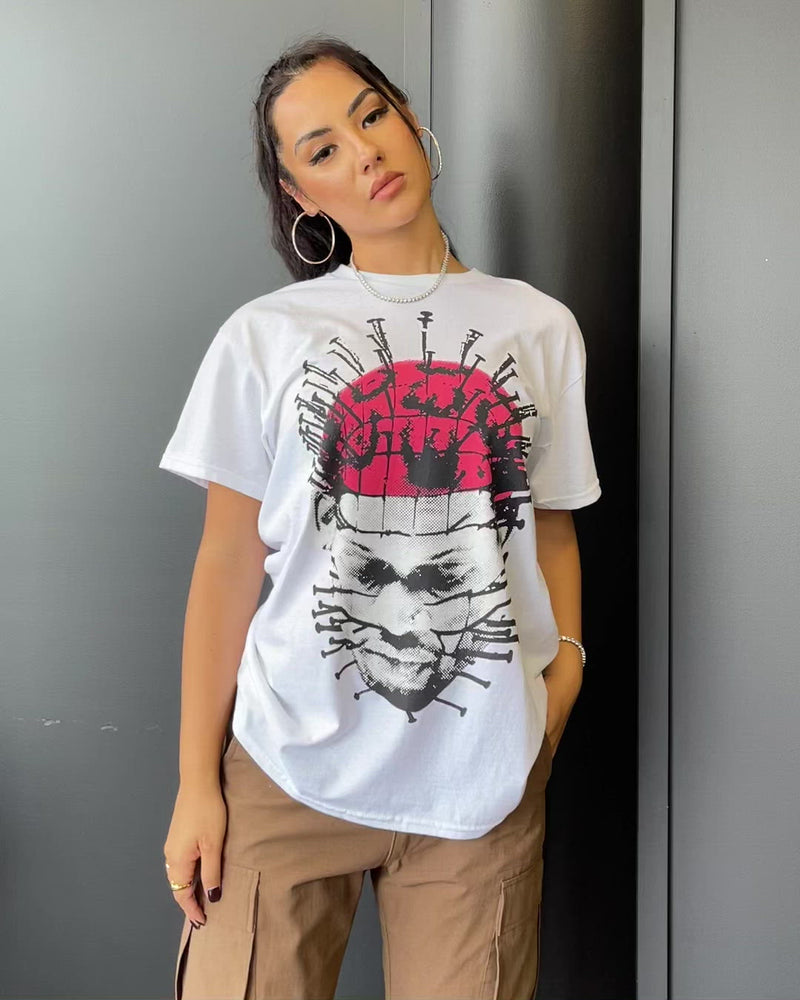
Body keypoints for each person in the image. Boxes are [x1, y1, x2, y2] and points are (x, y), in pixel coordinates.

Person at [159, 33, 601, 1000]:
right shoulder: (263, 337)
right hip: (286, 767)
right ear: (300, 196)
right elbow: (227, 561)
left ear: (409, 118)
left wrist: (564, 669)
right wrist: (197, 784)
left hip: (480, 779)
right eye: (322, 149)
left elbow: (552, 528)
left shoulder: (539, 326)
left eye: (371, 116)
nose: (364, 152)